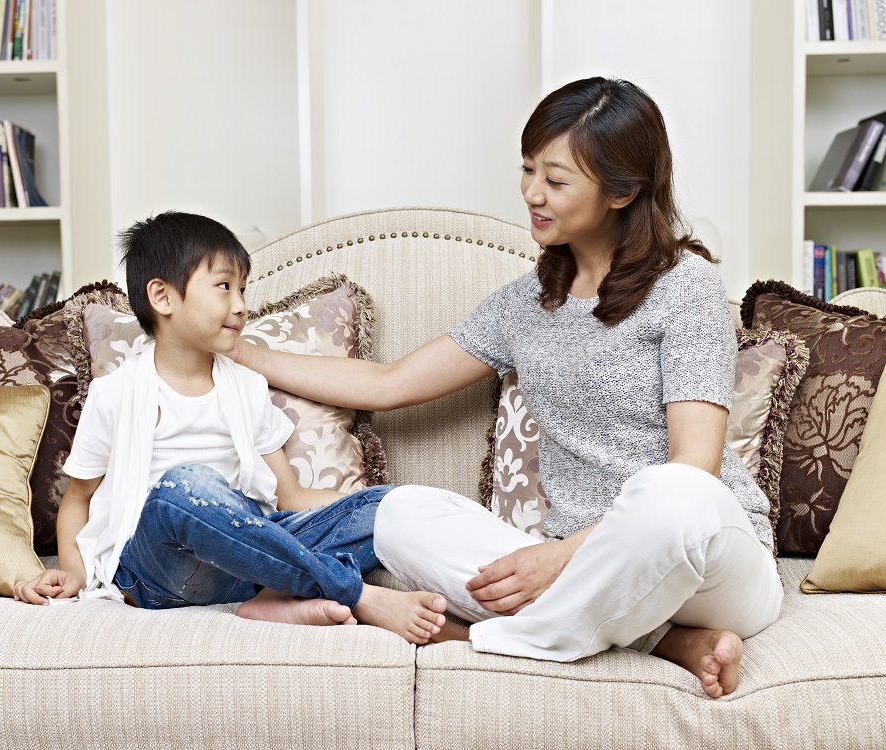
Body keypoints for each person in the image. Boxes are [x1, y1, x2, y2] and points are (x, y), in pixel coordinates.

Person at [231, 77, 783, 698]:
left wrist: (562, 559)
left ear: (623, 191)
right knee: (400, 513)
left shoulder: (686, 287)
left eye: (555, 179)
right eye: (527, 170)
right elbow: (389, 384)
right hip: (575, 570)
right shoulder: (527, 304)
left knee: (669, 491)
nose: (531, 194)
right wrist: (240, 350)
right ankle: (669, 643)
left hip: (709, 559)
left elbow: (696, 466)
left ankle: (484, 640)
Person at [12, 211, 448, 645]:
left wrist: (386, 506)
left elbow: (290, 497)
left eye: (242, 288)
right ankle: (351, 592)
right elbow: (78, 499)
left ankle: (274, 597)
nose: (240, 304)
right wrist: (72, 572)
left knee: (387, 505)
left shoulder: (246, 387)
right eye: (224, 287)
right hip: (155, 572)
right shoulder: (115, 395)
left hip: (243, 566)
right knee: (185, 487)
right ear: (162, 297)